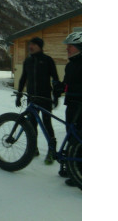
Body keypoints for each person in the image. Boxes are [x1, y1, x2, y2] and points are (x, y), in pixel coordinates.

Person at [16, 37, 60, 164]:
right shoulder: (28, 61)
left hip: (45, 98)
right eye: (30, 44)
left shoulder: (47, 60)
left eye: (34, 44)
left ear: (40, 46)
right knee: (32, 124)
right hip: (32, 98)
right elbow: (23, 79)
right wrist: (19, 94)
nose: (31, 46)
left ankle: (52, 151)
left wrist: (55, 96)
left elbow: (55, 79)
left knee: (47, 124)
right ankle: (33, 149)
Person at [54, 32, 82, 186]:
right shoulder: (71, 65)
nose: (67, 49)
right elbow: (67, 83)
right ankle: (71, 168)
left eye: (70, 46)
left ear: (79, 47)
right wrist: (59, 87)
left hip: (82, 107)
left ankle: (79, 175)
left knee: (80, 140)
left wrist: (67, 87)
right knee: (71, 136)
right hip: (71, 105)